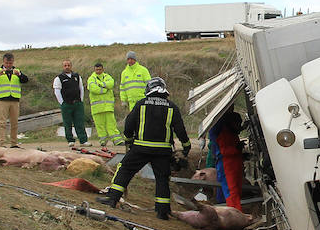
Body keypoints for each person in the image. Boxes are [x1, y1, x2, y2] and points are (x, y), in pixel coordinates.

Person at [96, 77, 191, 220]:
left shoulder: (141, 104)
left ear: (149, 90)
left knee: (125, 169)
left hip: (140, 148)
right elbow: (180, 130)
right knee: (162, 178)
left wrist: (129, 140)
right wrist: (186, 146)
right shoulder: (172, 107)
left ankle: (112, 198)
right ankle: (162, 211)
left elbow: (129, 125)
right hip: (162, 151)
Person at [0, 52, 30, 147]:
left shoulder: (17, 71)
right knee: (2, 123)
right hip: (2, 100)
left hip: (15, 100)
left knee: (14, 123)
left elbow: (26, 80)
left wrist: (20, 75)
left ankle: (14, 143)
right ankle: (1, 143)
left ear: (13, 62)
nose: (9, 65)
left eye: (10, 63)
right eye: (7, 63)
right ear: (3, 62)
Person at [208, 109, 245, 210]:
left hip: (234, 163)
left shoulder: (232, 132)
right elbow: (223, 151)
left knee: (235, 190)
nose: (239, 126)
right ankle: (235, 214)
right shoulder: (223, 132)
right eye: (237, 124)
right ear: (232, 123)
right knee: (231, 191)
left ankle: (232, 211)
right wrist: (236, 148)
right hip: (227, 164)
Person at [53, 59, 88, 146]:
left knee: (79, 122)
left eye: (68, 65)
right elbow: (57, 91)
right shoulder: (59, 78)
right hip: (66, 104)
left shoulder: (77, 76)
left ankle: (83, 140)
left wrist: (81, 100)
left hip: (78, 103)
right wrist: (62, 103)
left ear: (71, 66)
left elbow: (81, 88)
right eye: (65, 65)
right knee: (67, 123)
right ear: (63, 67)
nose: (67, 67)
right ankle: (70, 140)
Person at [86, 61, 119, 145]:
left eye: (100, 69)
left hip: (108, 106)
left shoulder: (107, 77)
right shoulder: (91, 78)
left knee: (111, 124)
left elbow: (111, 84)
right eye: (97, 70)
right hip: (97, 107)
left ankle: (116, 140)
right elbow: (93, 88)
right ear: (94, 70)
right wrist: (104, 89)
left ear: (103, 69)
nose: (98, 71)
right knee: (99, 125)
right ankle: (103, 140)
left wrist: (100, 84)